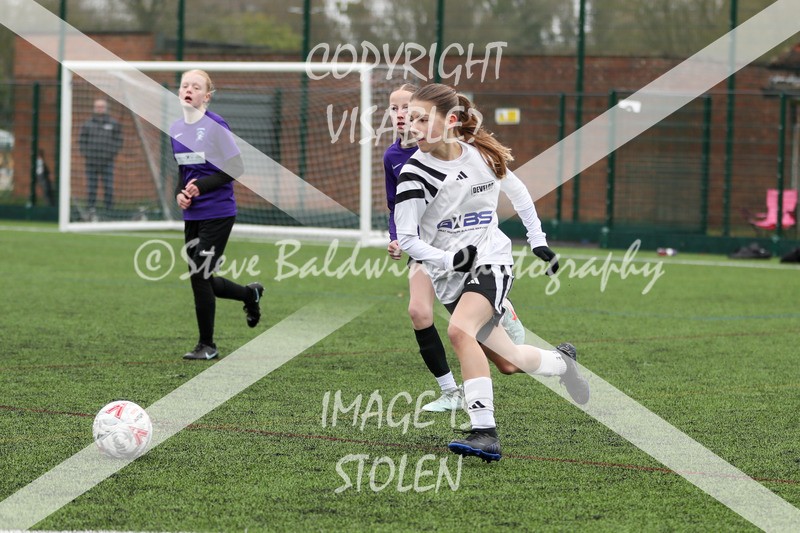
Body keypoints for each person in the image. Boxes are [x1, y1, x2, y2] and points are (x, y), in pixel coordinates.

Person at [395, 84, 590, 462]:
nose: (411, 126)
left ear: (451, 121)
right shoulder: (413, 174)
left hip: (492, 259)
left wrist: (537, 240)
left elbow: (518, 193)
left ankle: (484, 432)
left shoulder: (481, 156)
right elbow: (406, 239)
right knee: (509, 362)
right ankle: (563, 362)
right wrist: (449, 261)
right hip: (450, 274)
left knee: (458, 330)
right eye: (410, 118)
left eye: (421, 118)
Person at [384, 84, 527, 413]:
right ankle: (450, 391)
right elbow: (396, 207)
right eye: (393, 109)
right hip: (425, 249)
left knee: (486, 345)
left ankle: (502, 306)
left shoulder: (453, 147)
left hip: (466, 249)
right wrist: (395, 236)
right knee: (418, 312)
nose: (401, 115)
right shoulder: (394, 156)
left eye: (407, 108)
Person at [170, 69, 264, 360]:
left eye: (196, 87)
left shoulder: (215, 125)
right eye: (185, 85)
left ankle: (207, 345)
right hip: (193, 215)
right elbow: (184, 170)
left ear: (206, 96)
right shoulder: (175, 128)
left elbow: (236, 167)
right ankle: (250, 295)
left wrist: (200, 186)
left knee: (199, 274)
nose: (189, 89)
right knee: (203, 276)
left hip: (219, 212)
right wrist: (180, 193)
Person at [79, 98, 122, 219]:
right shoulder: (88, 124)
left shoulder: (113, 123)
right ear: (94, 108)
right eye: (97, 107)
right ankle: (90, 210)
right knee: (91, 186)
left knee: (108, 186)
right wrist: (88, 154)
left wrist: (111, 154)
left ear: (106, 108)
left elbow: (118, 141)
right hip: (91, 161)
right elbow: (82, 141)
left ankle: (109, 210)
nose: (99, 109)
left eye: (101, 106)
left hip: (107, 161)